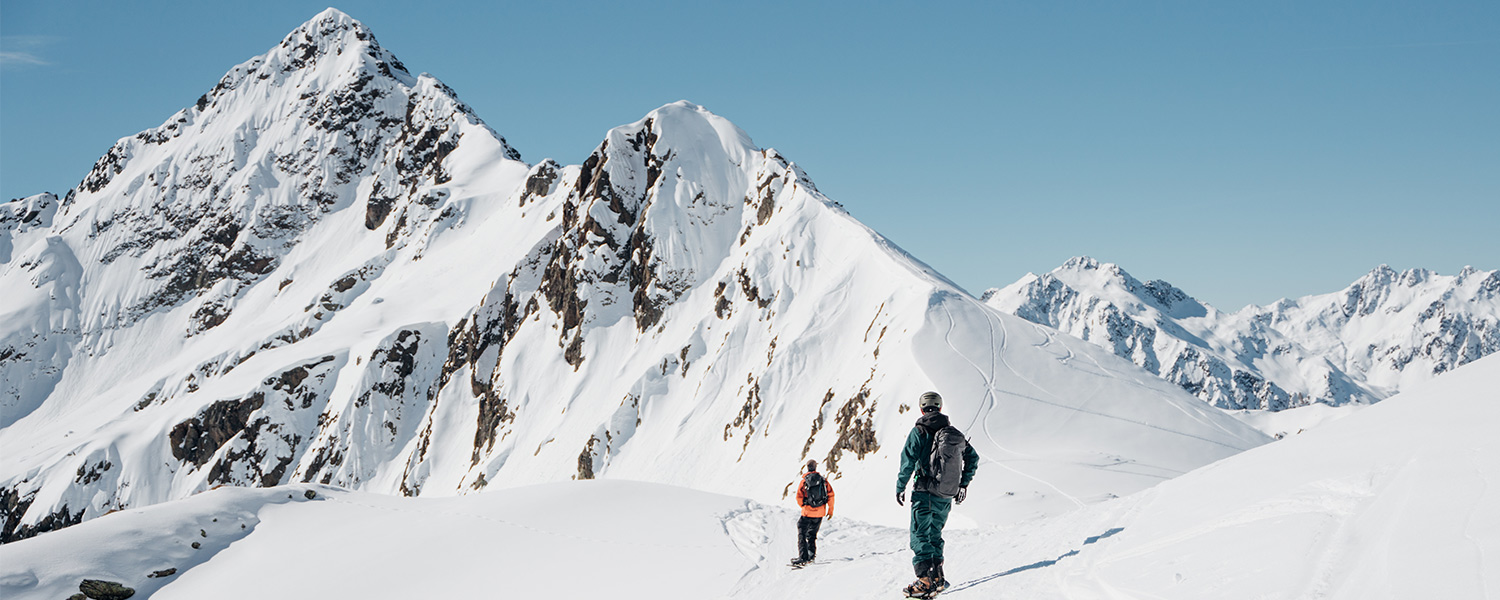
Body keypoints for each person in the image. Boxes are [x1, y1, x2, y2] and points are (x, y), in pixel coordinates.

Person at [895, 391, 979, 597]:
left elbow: (907, 461)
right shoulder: (952, 433)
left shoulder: (919, 431)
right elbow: (973, 458)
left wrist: (900, 486)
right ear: (940, 408)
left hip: (924, 492)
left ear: (922, 409)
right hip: (945, 493)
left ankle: (925, 581)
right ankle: (938, 578)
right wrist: (963, 484)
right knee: (934, 535)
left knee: (919, 535)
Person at [791, 459, 834, 566]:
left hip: (807, 512)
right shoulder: (823, 480)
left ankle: (803, 557)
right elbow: (831, 495)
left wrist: (804, 506)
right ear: (816, 467)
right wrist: (830, 510)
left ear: (807, 467)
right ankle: (811, 556)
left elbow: (799, 497)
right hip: (820, 513)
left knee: (802, 533)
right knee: (812, 535)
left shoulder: (804, 481)